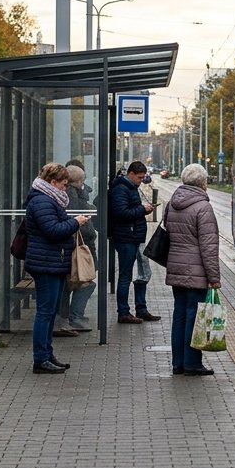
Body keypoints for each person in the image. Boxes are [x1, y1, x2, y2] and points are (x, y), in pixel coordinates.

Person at [24, 162, 91, 374]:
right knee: (45, 312)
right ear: (53, 182)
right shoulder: (43, 201)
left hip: (51, 261)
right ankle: (40, 359)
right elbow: (52, 230)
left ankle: (47, 354)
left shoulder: (47, 198)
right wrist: (76, 223)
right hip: (45, 264)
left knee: (50, 311)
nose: (65, 188)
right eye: (63, 185)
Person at [163, 162, 221, 376]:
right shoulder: (203, 207)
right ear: (203, 183)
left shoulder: (171, 203)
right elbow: (209, 247)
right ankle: (192, 364)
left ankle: (177, 363)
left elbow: (168, 232)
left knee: (180, 314)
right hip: (196, 271)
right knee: (194, 316)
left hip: (175, 267)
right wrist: (214, 277)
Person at [108, 160, 159, 323]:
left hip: (135, 236)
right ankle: (123, 312)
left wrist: (141, 209)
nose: (141, 181)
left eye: (143, 178)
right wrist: (142, 210)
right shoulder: (121, 189)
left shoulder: (131, 187)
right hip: (125, 238)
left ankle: (141, 309)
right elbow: (121, 213)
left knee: (144, 272)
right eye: (139, 177)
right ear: (130, 174)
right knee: (125, 275)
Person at [54, 162, 97, 335]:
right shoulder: (72, 195)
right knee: (83, 283)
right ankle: (71, 318)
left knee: (76, 283)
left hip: (75, 247)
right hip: (77, 248)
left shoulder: (71, 193)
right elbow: (80, 223)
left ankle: (68, 318)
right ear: (77, 181)